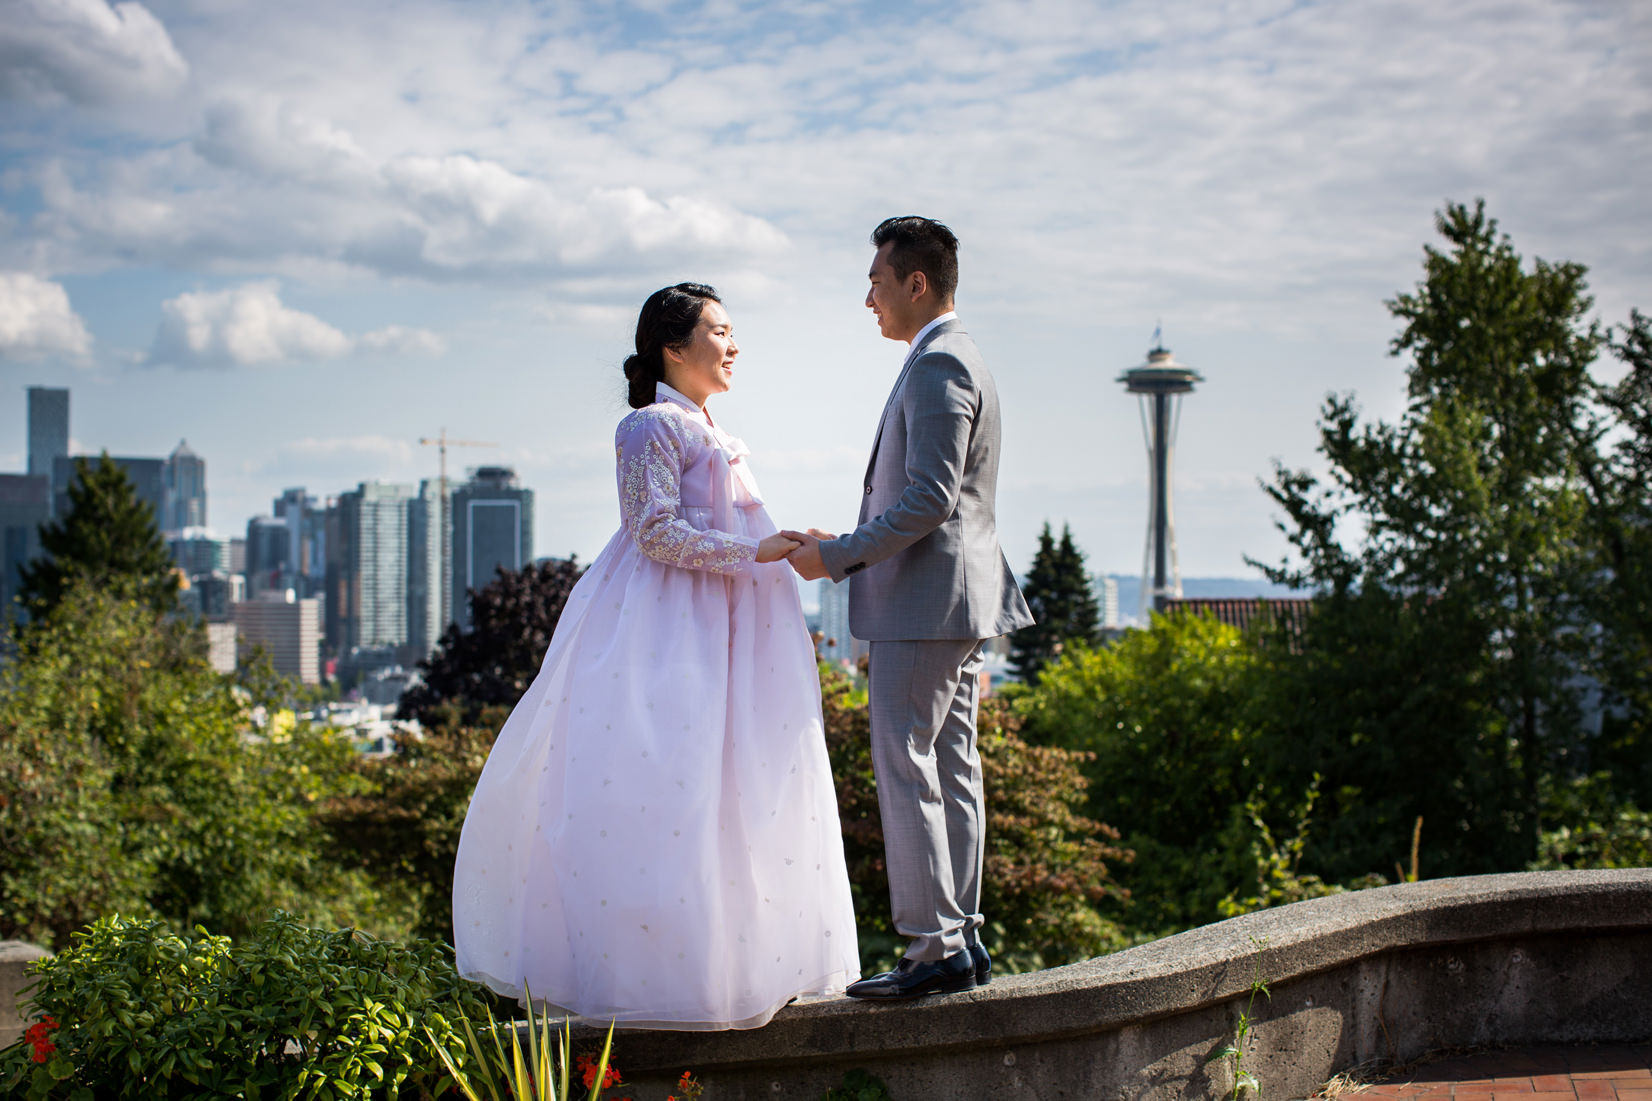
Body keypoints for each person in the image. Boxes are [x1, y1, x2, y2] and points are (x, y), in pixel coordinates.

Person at [452, 283, 860, 1030]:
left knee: (737, 791)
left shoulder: (711, 426)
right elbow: (654, 532)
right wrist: (755, 548)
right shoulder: (649, 426)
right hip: (669, 630)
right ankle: (658, 985)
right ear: (675, 347)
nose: (734, 346)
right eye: (721, 331)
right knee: (670, 792)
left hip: (728, 626)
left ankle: (728, 970)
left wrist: (777, 542)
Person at [783, 217, 1034, 1000]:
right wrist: (848, 538)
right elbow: (939, 498)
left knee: (906, 762)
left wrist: (835, 557)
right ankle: (960, 935)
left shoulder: (937, 366)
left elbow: (929, 499)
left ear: (915, 283)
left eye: (876, 280)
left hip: (925, 605)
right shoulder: (961, 359)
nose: (868, 297)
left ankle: (934, 947)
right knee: (952, 766)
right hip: (957, 600)